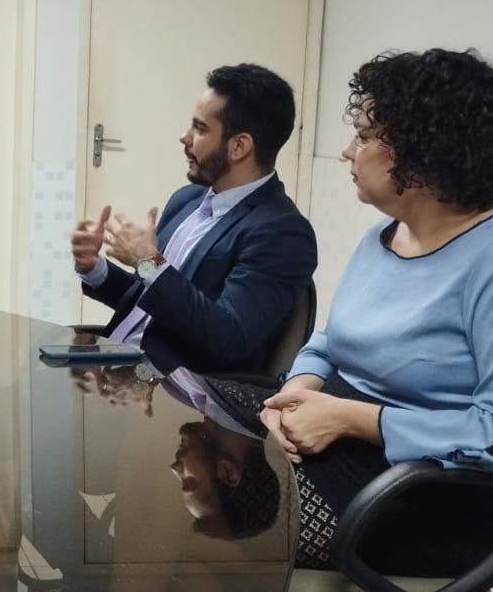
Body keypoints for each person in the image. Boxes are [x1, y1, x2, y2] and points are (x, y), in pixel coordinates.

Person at [260, 48, 493, 576]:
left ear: (424, 151)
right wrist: (294, 396)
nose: (346, 151)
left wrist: (348, 418)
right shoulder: (383, 237)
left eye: (364, 136)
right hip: (348, 446)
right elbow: (331, 341)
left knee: (220, 508)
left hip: (427, 495)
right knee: (194, 426)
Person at [71, 63, 316, 374]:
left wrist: (148, 263)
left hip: (169, 388)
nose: (184, 137)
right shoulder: (186, 200)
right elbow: (156, 302)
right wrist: (95, 269)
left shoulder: (282, 233)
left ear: (238, 146)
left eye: (200, 129)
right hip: (114, 364)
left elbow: (227, 338)